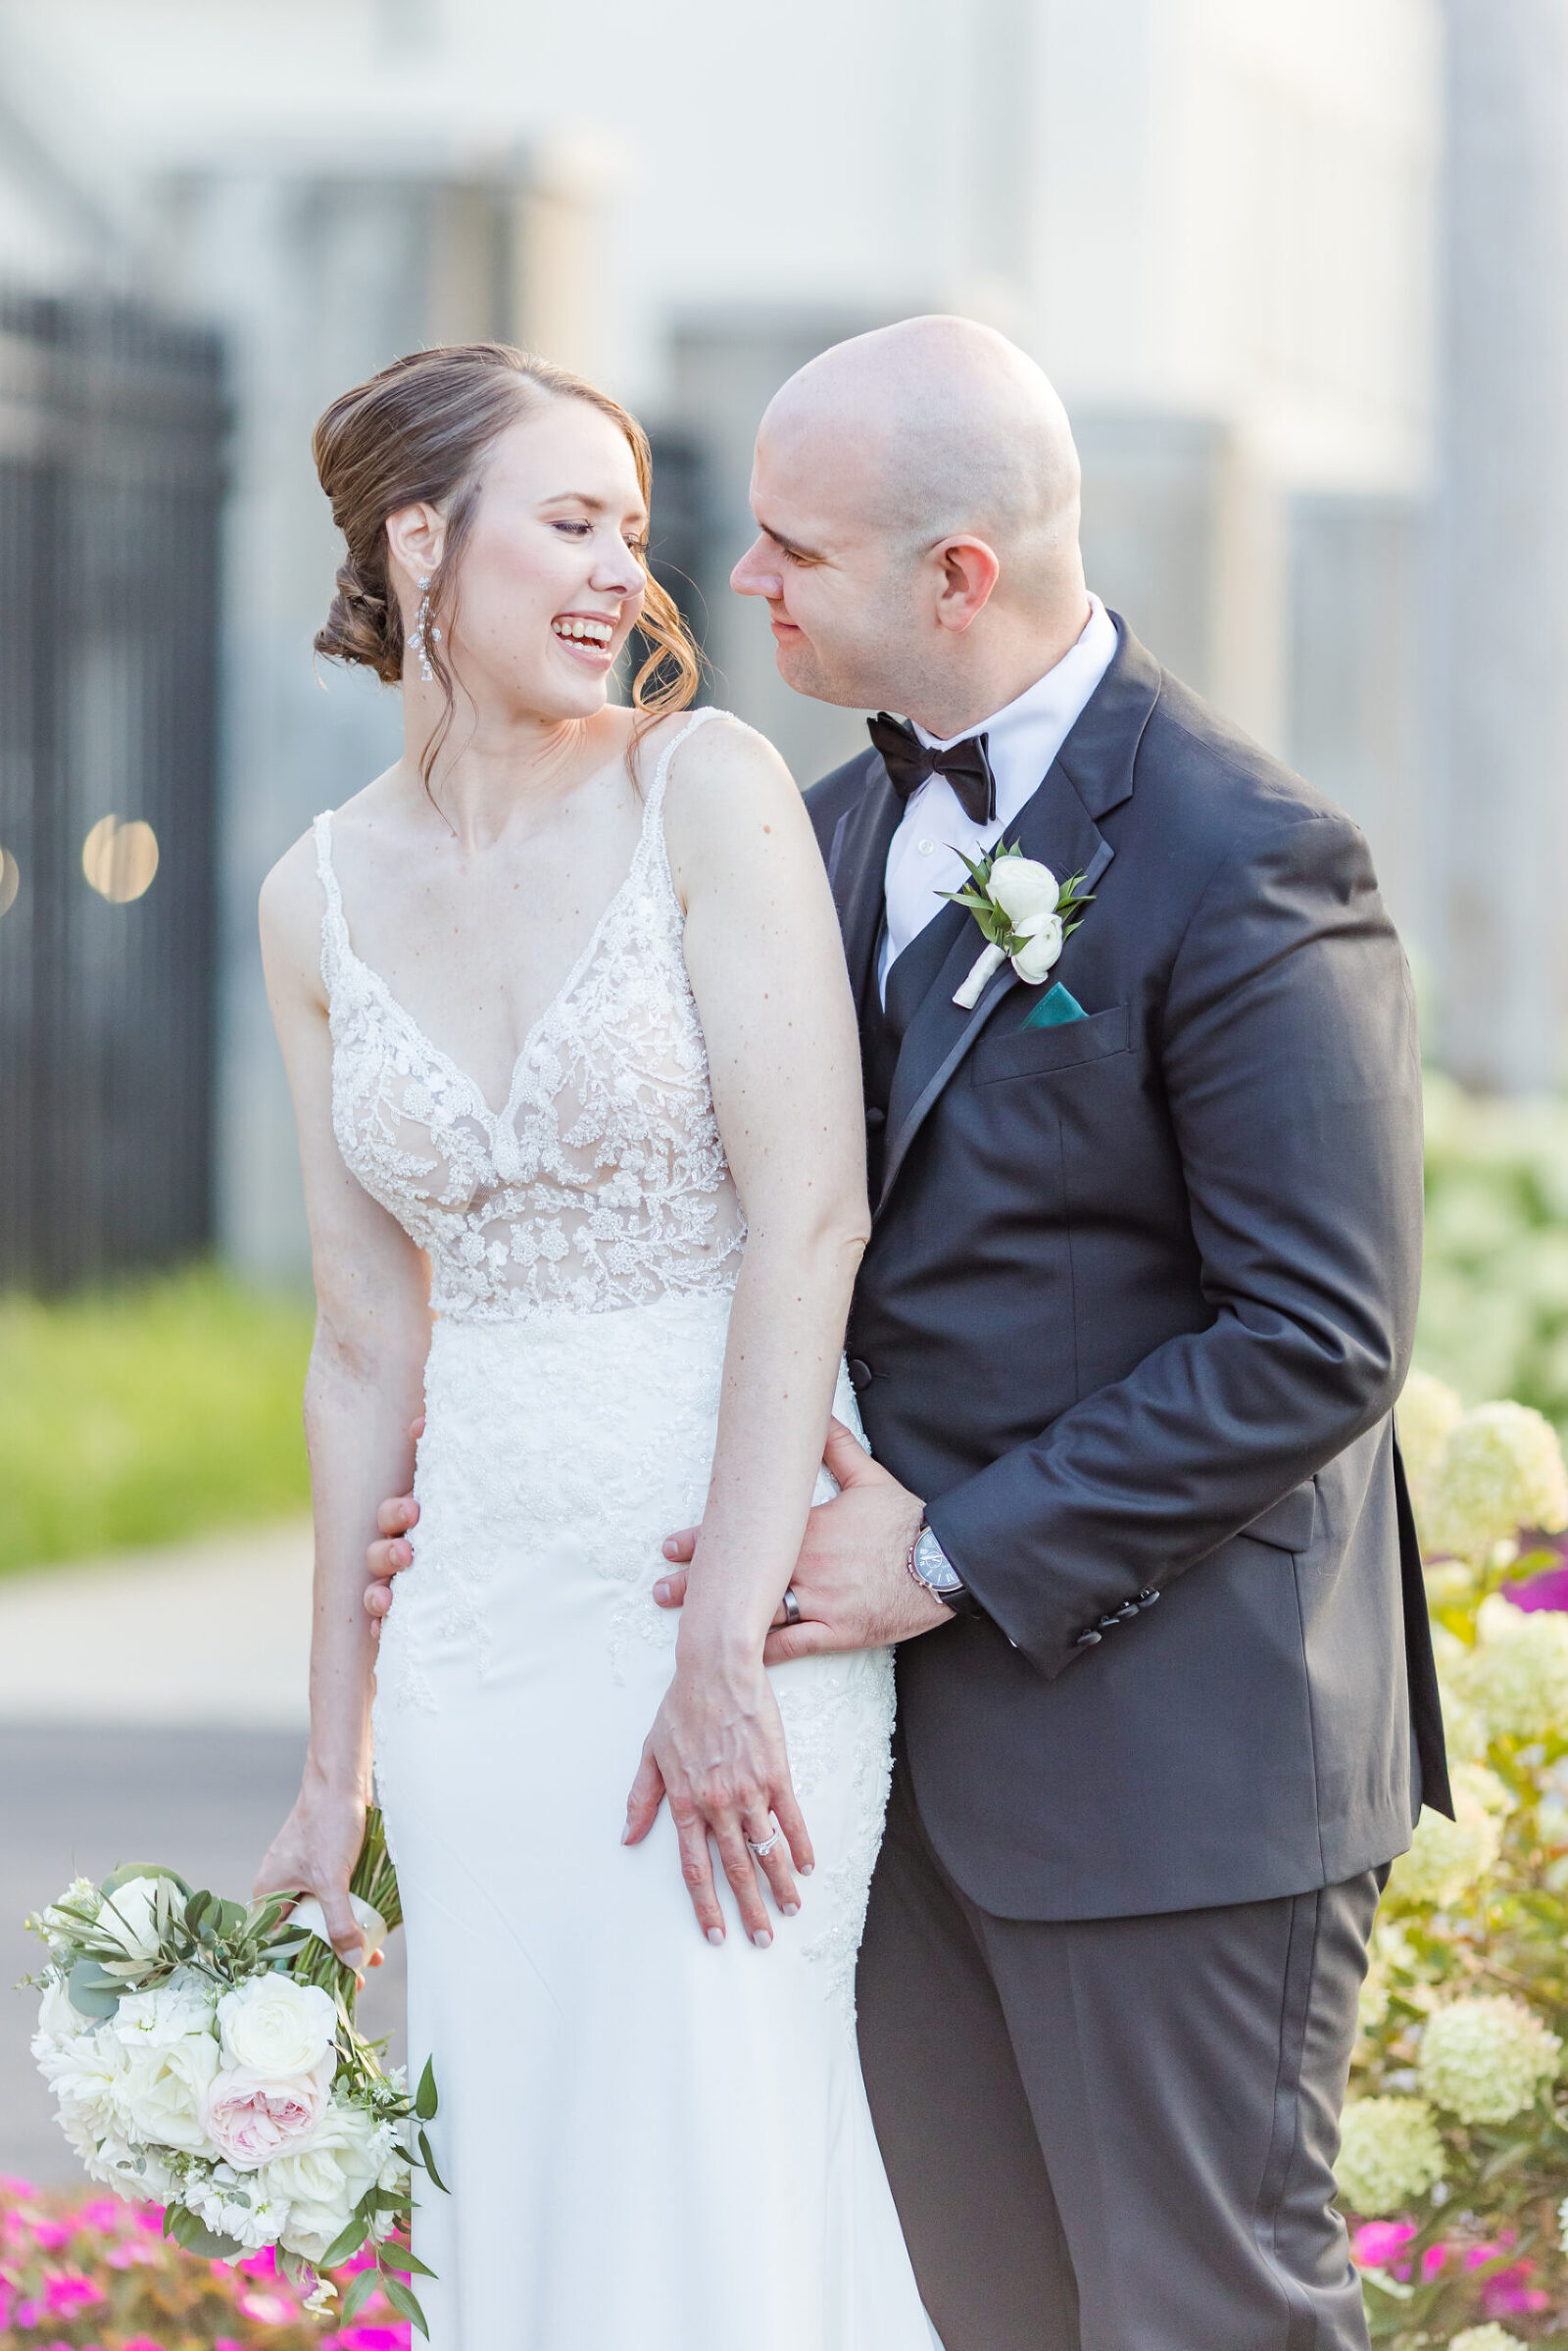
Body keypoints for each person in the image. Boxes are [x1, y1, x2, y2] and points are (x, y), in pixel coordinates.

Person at [368, 317, 1450, 2351]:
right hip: (880, 1769)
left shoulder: (1246, 855)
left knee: (1198, 2313)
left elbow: (1317, 1336)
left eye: (792, 548)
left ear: (954, 575)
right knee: (965, 2315)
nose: (736, 579)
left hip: (1173, 1763)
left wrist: (942, 1547)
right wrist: (518, 1474)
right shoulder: (813, 829)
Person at [252, 342, 937, 2350]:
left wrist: (721, 1639)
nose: (620, 575)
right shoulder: (310, 898)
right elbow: (360, 1347)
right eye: (568, 523)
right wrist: (333, 1774)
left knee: (714, 2139)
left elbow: (810, 1218)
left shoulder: (696, 789)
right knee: (523, 2166)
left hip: (722, 1597)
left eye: (629, 532)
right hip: (478, 1650)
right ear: (416, 543)